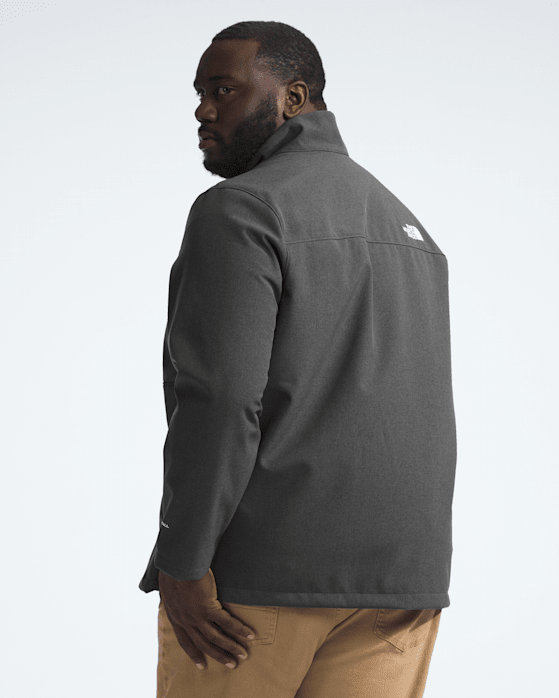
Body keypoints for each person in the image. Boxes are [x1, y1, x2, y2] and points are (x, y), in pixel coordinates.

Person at [139, 20, 458, 698]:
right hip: (402, 585)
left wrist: (183, 560)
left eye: (223, 89)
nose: (202, 110)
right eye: (198, 93)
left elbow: (222, 399)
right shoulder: (410, 228)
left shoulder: (240, 211)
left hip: (258, 582)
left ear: (293, 97)